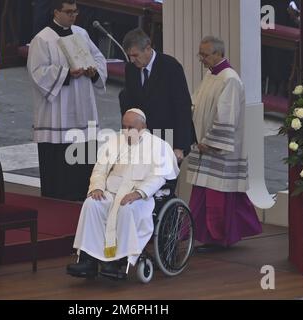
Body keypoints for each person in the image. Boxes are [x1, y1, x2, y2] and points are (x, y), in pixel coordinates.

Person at [67, 109, 179, 279]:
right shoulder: (114, 142)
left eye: (131, 127)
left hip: (140, 197)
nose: (127, 132)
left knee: (126, 209)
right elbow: (100, 169)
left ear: (143, 126)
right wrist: (97, 187)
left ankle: (116, 262)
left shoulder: (159, 146)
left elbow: (159, 177)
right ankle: (88, 260)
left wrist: (139, 193)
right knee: (91, 204)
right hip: (111, 192)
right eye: (124, 127)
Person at [187, 36, 262, 253]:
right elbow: (197, 103)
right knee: (203, 194)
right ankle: (198, 234)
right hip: (204, 146)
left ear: (219, 54)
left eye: (205, 55)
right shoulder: (211, 75)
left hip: (217, 150)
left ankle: (217, 238)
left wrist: (209, 142)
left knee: (217, 199)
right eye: (200, 54)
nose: (201, 59)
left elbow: (226, 117)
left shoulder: (230, 79)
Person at [27, 0, 107, 201]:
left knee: (83, 161)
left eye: (75, 12)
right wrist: (67, 73)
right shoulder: (42, 39)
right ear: (56, 12)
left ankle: (83, 199)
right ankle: (57, 202)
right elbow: (37, 72)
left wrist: (93, 70)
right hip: (57, 112)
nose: (73, 16)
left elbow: (99, 59)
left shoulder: (81, 33)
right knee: (59, 170)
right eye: (68, 12)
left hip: (82, 106)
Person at [119, 28, 195, 163]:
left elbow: (182, 107)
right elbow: (129, 103)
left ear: (148, 48)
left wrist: (179, 146)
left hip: (167, 138)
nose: (132, 60)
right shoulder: (131, 69)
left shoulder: (170, 67)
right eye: (129, 55)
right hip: (142, 140)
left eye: (135, 55)